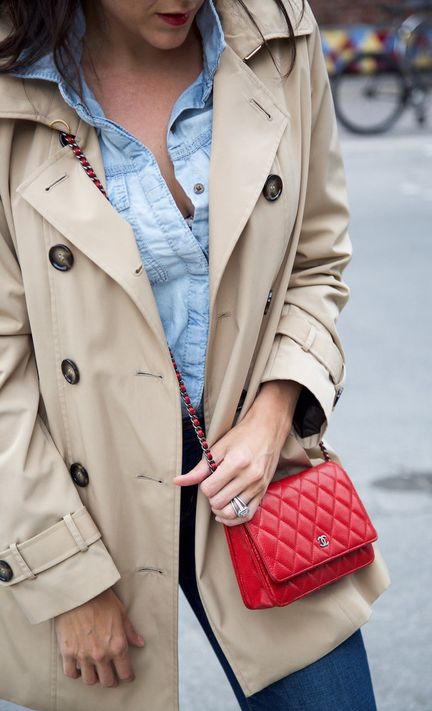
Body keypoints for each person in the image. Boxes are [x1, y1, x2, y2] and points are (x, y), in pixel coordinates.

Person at [0, 1, 391, 709]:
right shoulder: (10, 79)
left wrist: (276, 413)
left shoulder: (275, 34)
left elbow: (316, 259)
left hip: (255, 479)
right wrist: (67, 575)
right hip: (78, 495)